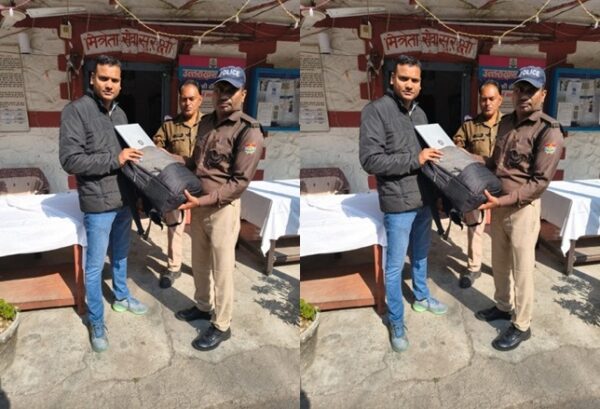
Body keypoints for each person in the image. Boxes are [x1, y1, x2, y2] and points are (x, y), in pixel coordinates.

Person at [59, 55, 148, 353]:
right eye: (104, 78)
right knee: (95, 265)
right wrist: (116, 159)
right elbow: (70, 160)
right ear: (92, 79)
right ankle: (96, 320)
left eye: (115, 80)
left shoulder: (120, 114)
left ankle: (121, 297)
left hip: (123, 198)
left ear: (121, 84)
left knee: (121, 254)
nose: (109, 84)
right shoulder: (76, 111)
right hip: (97, 203)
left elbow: (126, 157)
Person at [359, 55, 448, 353]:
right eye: (404, 78)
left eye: (415, 80)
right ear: (392, 79)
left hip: (423, 197)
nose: (409, 84)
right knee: (395, 266)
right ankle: (396, 320)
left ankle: (421, 297)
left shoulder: (420, 114)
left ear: (421, 84)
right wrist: (416, 159)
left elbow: (426, 156)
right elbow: (370, 160)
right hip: (398, 202)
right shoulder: (375, 111)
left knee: (421, 254)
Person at [176, 66, 264, 351]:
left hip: (222, 210)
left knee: (222, 269)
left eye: (231, 90)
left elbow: (239, 183)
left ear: (243, 94)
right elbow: (195, 164)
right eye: (220, 89)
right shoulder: (205, 123)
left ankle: (222, 324)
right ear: (213, 93)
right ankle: (203, 306)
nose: (224, 95)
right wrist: (167, 159)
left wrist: (201, 202)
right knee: (200, 262)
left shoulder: (249, 131)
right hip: (198, 203)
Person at [476, 66, 564, 351]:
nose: (524, 95)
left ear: (543, 94)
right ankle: (503, 306)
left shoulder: (549, 131)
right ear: (512, 93)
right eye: (520, 89)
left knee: (522, 270)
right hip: (498, 204)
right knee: (500, 262)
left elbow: (539, 183)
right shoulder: (505, 123)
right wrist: (464, 158)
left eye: (531, 90)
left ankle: (522, 324)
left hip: (522, 210)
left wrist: (501, 202)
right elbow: (495, 164)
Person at [153, 79, 203, 288]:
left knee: (203, 229)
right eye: (184, 99)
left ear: (200, 100)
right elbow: (156, 144)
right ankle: (174, 267)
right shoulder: (169, 126)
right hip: (178, 184)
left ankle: (203, 267)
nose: (187, 103)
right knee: (175, 226)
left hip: (204, 183)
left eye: (192, 99)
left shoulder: (209, 124)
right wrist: (163, 152)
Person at [452, 80, 503, 288]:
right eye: (484, 99)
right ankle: (474, 267)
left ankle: (503, 267)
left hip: (504, 184)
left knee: (502, 229)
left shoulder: (509, 124)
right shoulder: (469, 125)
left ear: (500, 100)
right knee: (475, 227)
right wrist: (463, 151)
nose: (487, 103)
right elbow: (457, 144)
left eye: (492, 99)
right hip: (477, 184)